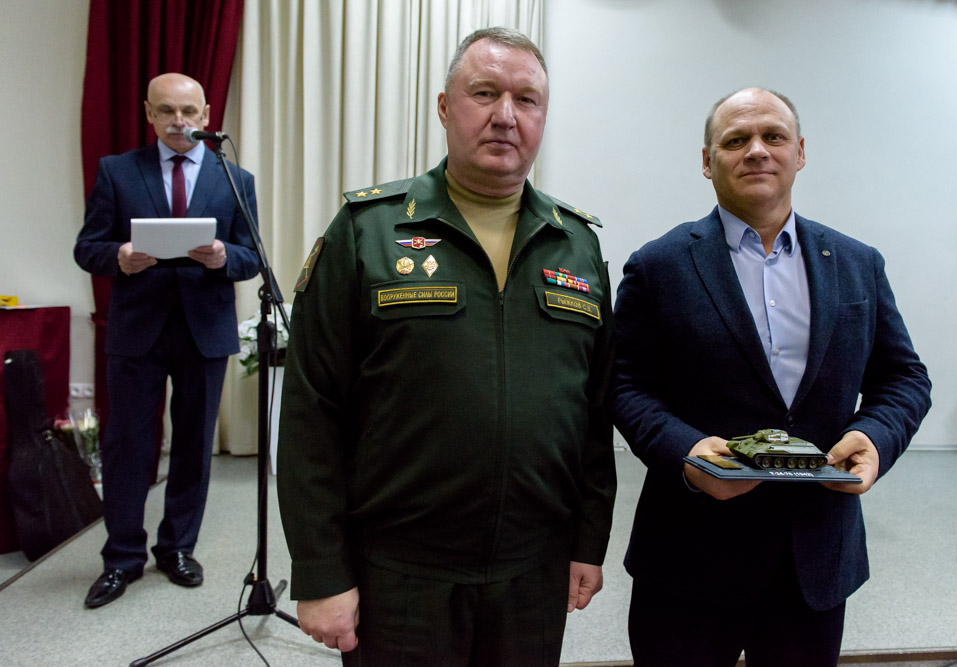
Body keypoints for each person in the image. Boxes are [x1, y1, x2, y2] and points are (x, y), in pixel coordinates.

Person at [277, 27, 616, 666]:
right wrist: (321, 571)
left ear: (543, 116)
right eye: (484, 93)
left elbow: (594, 414)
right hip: (402, 572)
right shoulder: (368, 231)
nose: (506, 116)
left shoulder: (576, 244)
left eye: (527, 99)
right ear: (443, 106)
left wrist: (588, 540)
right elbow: (310, 411)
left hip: (533, 571)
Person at [612, 87, 931, 666]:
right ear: (707, 161)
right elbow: (625, 385)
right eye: (736, 140)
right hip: (689, 557)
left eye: (773, 136)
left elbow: (904, 378)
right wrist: (685, 451)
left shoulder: (857, 263)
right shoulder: (658, 266)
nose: (756, 150)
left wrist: (875, 437)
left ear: (800, 152)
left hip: (813, 563)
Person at [74, 73, 260, 608]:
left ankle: (177, 548)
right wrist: (119, 257)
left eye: (188, 111)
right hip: (137, 329)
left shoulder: (235, 178)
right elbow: (87, 247)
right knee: (128, 445)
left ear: (206, 116)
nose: (179, 122)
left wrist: (224, 257)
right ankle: (121, 557)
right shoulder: (117, 171)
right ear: (149, 114)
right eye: (166, 111)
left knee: (195, 446)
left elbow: (252, 257)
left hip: (204, 329)